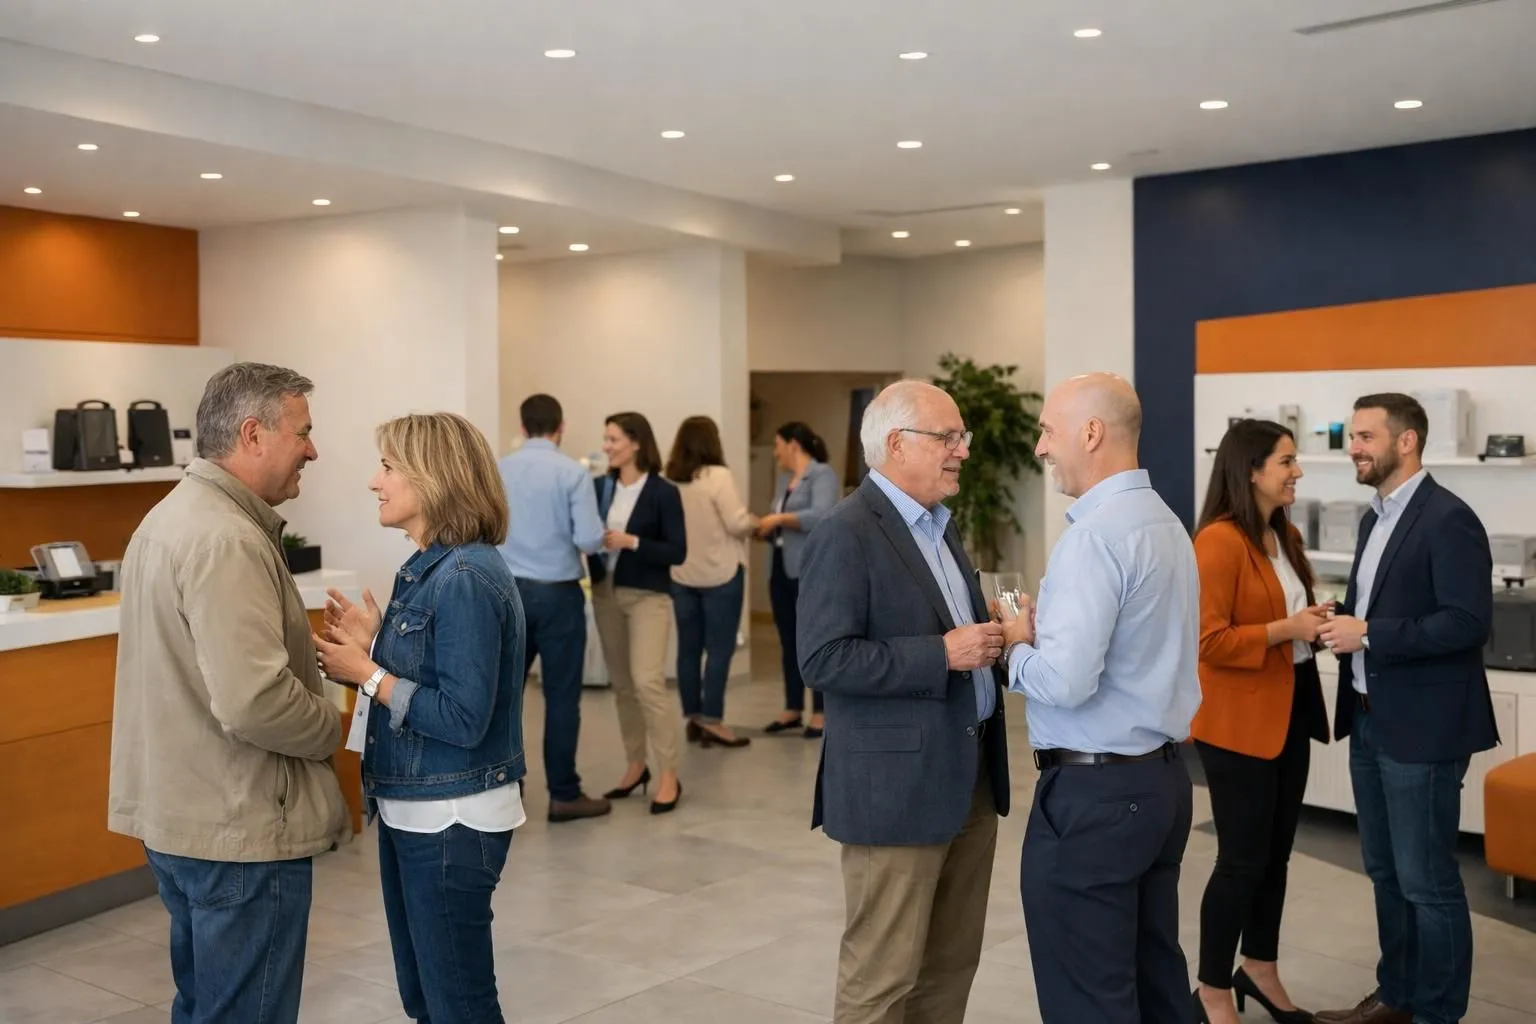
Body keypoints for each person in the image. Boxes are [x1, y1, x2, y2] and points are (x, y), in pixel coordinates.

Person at [108, 362, 347, 1024]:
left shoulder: (171, 517)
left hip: (184, 817)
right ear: (252, 434)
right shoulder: (227, 538)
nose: (313, 449)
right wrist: (335, 727)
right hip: (235, 827)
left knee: (206, 1006)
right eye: (302, 431)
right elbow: (255, 700)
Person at [798, 379, 1011, 1024]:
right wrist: (942, 654)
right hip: (895, 792)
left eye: (961, 438)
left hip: (968, 780)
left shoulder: (939, 528)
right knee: (882, 979)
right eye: (947, 438)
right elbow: (823, 658)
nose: (962, 452)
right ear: (895, 443)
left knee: (949, 966)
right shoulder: (846, 531)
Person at [998, 372, 1202, 1024]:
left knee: (1088, 998)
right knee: (1156, 985)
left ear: (1091, 433)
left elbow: (1063, 682)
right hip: (1162, 786)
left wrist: (1012, 646)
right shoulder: (1164, 522)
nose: (1039, 448)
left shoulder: (1093, 538)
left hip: (1096, 799)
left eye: (1047, 432)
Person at [313, 411, 526, 1024]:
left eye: (388, 467)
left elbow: (462, 717)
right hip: (419, 808)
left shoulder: (461, 576)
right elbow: (441, 670)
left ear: (432, 478)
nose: (375, 481)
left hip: (451, 818)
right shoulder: (429, 567)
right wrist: (377, 641)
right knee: (428, 998)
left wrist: (367, 673)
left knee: (457, 1004)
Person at [1313, 393, 1498, 1024]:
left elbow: (1469, 622)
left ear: (1407, 441)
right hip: (1369, 717)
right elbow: (1385, 608)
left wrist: (1368, 634)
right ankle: (1397, 997)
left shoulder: (1449, 518)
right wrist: (1340, 621)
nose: (1354, 448)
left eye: (1365, 436)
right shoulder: (1375, 519)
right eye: (1353, 437)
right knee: (1386, 873)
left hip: (1424, 729)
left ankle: (1437, 1014)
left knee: (1428, 883)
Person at [1190, 419, 1332, 1024]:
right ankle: (1212, 987)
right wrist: (1287, 630)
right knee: (1241, 860)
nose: (1296, 471)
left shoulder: (1284, 534)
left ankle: (1261, 969)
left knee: (1276, 856)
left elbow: (1290, 621)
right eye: (1286, 461)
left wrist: (1318, 624)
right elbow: (1208, 640)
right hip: (1237, 725)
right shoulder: (1218, 542)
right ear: (1251, 470)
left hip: (1291, 707)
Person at [497, 393, 610, 823]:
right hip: (560, 595)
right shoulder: (572, 473)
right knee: (563, 699)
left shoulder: (499, 468)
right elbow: (587, 540)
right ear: (560, 427)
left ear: (523, 427)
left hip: (508, 593)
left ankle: (507, 790)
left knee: (506, 696)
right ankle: (564, 794)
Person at [589, 411, 688, 813]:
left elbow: (677, 551)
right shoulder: (598, 487)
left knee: (648, 683)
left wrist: (631, 541)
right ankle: (636, 766)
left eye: (613, 439)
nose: (607, 446)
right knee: (623, 686)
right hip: (604, 594)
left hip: (648, 596)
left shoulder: (663, 492)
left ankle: (669, 774)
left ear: (636, 443)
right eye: (606, 439)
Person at [665, 415, 757, 748]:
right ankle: (713, 721)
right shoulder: (718, 476)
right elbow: (736, 523)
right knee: (719, 650)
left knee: (688, 650)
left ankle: (693, 717)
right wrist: (755, 523)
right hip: (721, 575)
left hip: (683, 575)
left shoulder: (671, 479)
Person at [756, 421, 839, 738]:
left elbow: (822, 515)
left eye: (777, 445)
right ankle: (792, 708)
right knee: (787, 640)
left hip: (808, 569)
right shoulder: (782, 480)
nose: (775, 452)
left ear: (793, 444)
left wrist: (778, 518)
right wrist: (765, 526)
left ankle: (820, 712)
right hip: (778, 567)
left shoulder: (822, 475)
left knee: (813, 639)